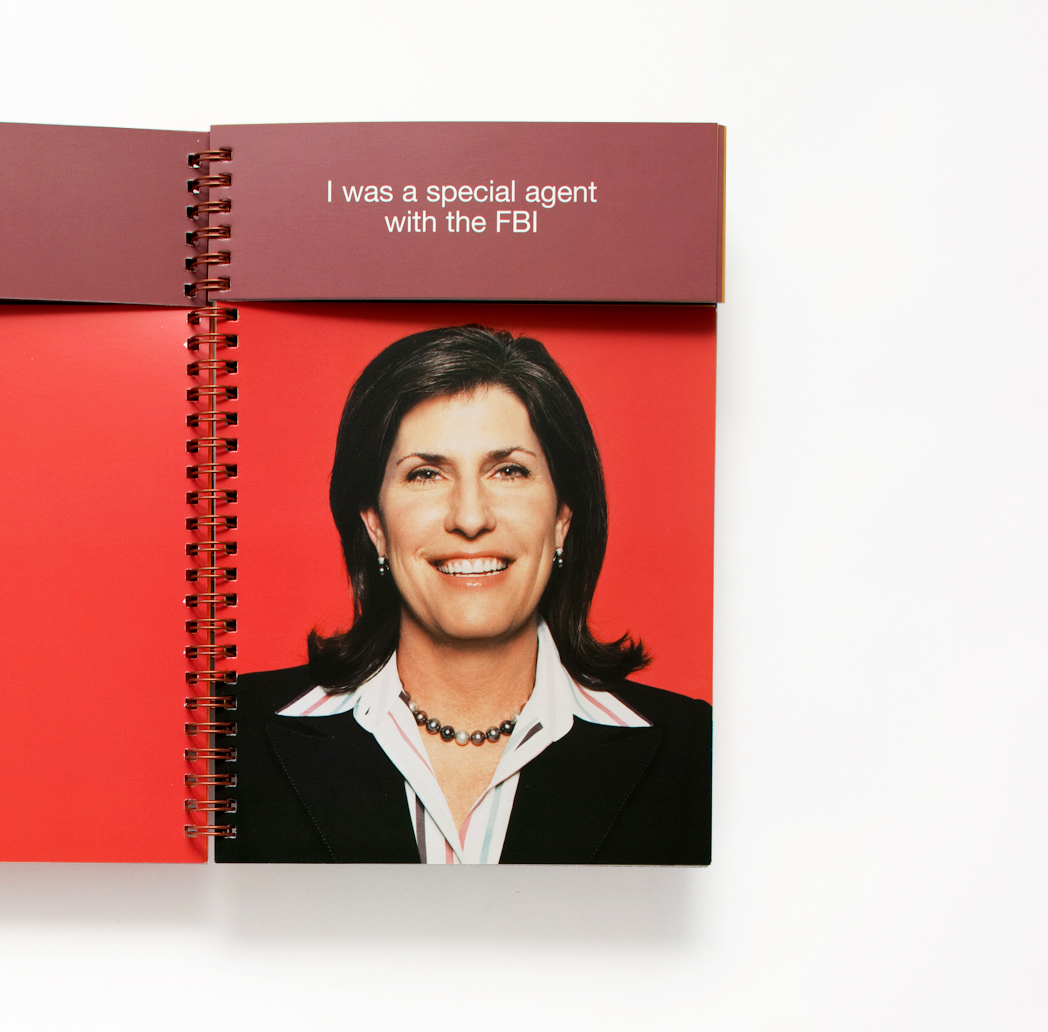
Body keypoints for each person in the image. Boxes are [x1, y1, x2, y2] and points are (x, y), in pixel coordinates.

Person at [216, 327, 710, 864]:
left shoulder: (695, 751)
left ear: (563, 518)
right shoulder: (229, 734)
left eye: (509, 471)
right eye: (426, 474)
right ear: (375, 524)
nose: (470, 517)